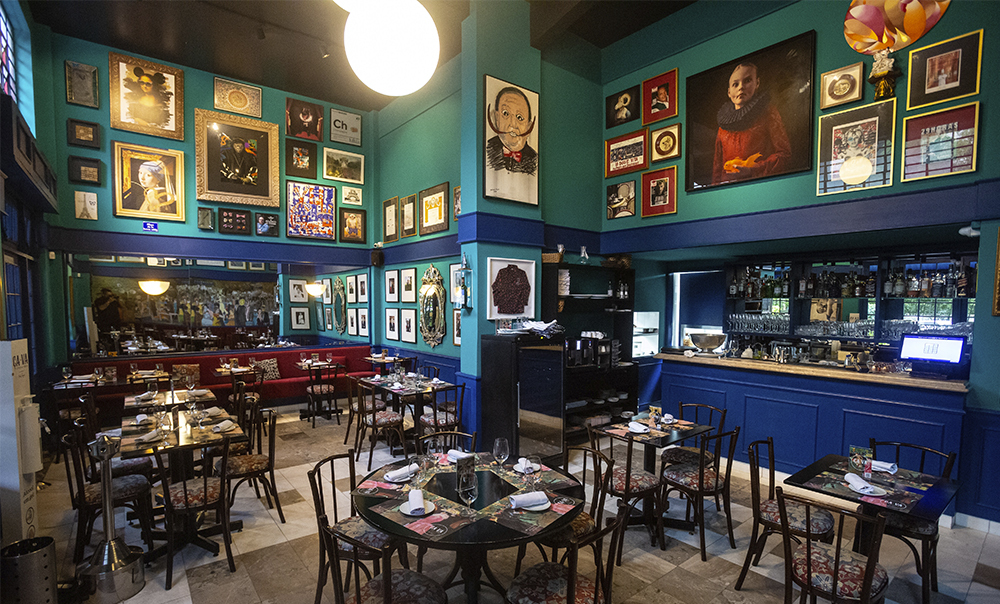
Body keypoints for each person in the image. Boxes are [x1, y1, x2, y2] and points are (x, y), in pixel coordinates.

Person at [711, 62, 791, 185]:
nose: (741, 87)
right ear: (729, 92)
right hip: (728, 191)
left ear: (757, 83)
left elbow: (784, 154)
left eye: (747, 81)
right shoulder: (723, 125)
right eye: (735, 84)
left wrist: (753, 169)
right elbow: (717, 169)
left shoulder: (768, 113)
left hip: (759, 186)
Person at [486, 87, 537, 176]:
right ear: (497, 118)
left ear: (529, 127)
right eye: (506, 114)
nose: (512, 124)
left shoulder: (534, 160)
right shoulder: (487, 151)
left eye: (519, 117)